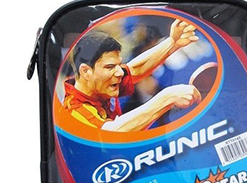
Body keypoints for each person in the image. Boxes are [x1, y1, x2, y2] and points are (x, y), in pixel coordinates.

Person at [61, 19, 202, 131]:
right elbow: (112, 134)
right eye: (110, 67)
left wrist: (172, 43)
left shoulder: (98, 82)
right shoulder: (74, 111)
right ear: (86, 71)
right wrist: (167, 98)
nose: (119, 72)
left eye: (118, 64)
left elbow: (134, 70)